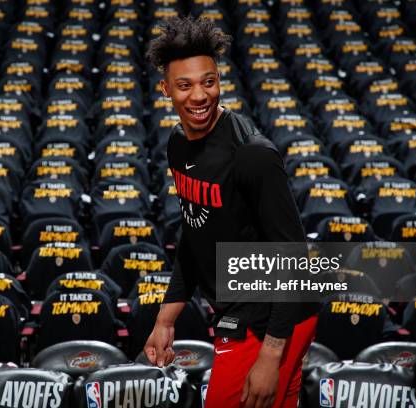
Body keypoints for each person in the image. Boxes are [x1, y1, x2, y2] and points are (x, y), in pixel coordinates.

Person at [144, 16, 318, 408]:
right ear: (165, 89)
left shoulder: (252, 156)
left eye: (209, 82)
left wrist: (271, 356)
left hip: (274, 312)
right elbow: (195, 232)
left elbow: (293, 258)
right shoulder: (177, 145)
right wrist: (165, 319)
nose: (200, 96)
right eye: (184, 85)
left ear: (219, 79)